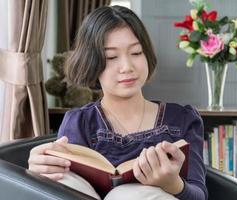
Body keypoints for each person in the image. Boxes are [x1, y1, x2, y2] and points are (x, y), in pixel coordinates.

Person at [28, 5, 208, 200]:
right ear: (92, 63)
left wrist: (172, 185)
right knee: (64, 180)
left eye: (136, 53)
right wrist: (40, 171)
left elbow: (199, 196)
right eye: (111, 57)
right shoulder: (79, 122)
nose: (127, 67)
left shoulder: (182, 119)